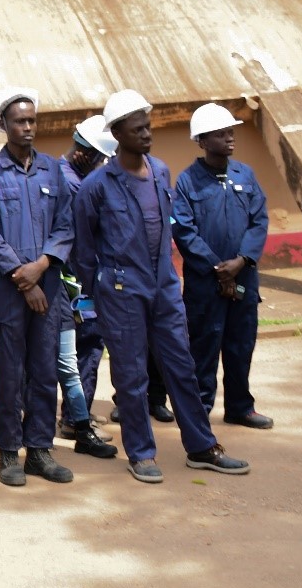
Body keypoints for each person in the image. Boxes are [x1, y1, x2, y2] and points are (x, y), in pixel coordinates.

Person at [71, 90, 249, 483]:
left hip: (164, 286)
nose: (147, 134)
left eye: (148, 127)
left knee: (181, 368)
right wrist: (98, 289)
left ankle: (202, 447)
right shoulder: (97, 186)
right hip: (121, 292)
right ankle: (141, 452)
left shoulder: (161, 171)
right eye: (137, 129)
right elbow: (84, 250)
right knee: (132, 375)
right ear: (117, 133)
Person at [0, 90, 77, 486]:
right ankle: (10, 454)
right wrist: (22, 274)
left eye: (32, 120)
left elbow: (67, 224)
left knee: (45, 369)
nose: (28, 127)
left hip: (47, 284)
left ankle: (40, 451)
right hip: (8, 289)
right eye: (20, 121)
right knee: (11, 373)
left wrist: (43, 265)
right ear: (5, 125)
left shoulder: (52, 169)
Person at [173, 104, 272, 428]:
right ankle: (200, 411)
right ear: (201, 140)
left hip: (245, 278)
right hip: (206, 285)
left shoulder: (246, 174)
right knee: (203, 347)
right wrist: (218, 268)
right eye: (220, 133)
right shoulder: (187, 182)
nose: (229, 138)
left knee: (241, 344)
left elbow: (259, 221)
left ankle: (240, 407)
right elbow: (184, 230)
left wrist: (241, 261)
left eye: (231, 132)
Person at [56, 115, 120, 456]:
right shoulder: (75, 185)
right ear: (85, 154)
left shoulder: (61, 174)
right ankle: (72, 417)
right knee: (88, 346)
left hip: (76, 278)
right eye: (100, 159)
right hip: (78, 281)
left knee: (79, 350)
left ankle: (75, 413)